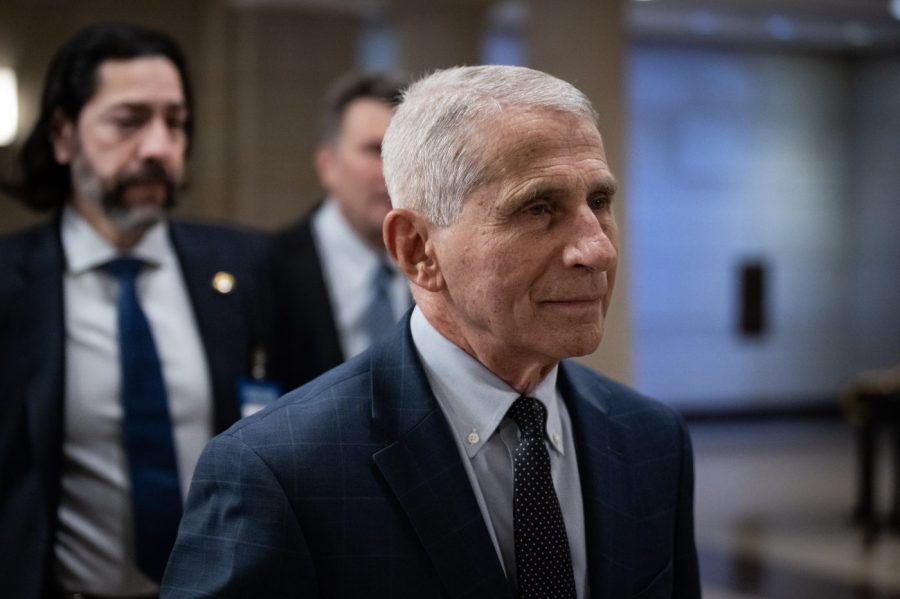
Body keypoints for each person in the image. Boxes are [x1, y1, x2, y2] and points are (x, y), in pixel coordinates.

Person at [163, 65, 700, 598]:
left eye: (599, 202)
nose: (598, 249)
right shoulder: (280, 473)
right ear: (419, 250)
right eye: (539, 208)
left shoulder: (652, 440)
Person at [0, 22, 277, 598]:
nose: (157, 148)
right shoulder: (11, 283)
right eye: (129, 122)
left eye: (173, 123)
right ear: (62, 135)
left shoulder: (244, 266)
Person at [271, 71, 411, 391]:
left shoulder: (440, 269)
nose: (392, 171)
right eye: (375, 150)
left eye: (403, 153)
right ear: (327, 165)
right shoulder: (269, 270)